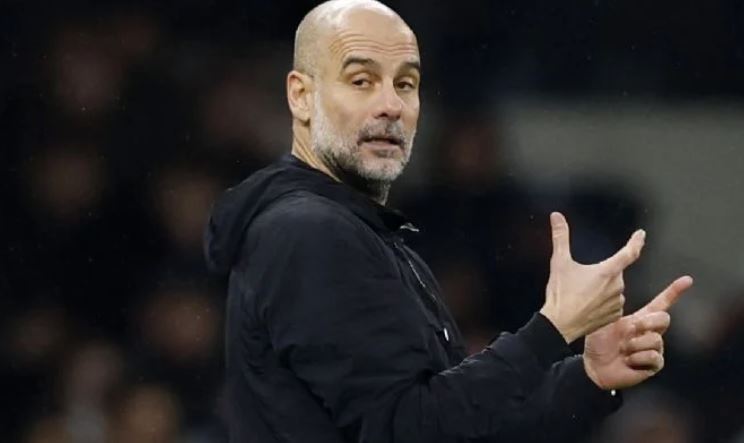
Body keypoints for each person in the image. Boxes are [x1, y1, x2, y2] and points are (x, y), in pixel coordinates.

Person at [203, 1, 694, 441]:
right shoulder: (308, 231)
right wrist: (551, 329)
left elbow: (461, 426)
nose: (391, 105)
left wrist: (588, 376)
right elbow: (406, 430)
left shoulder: (366, 233)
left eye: (406, 84)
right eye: (361, 80)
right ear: (300, 95)